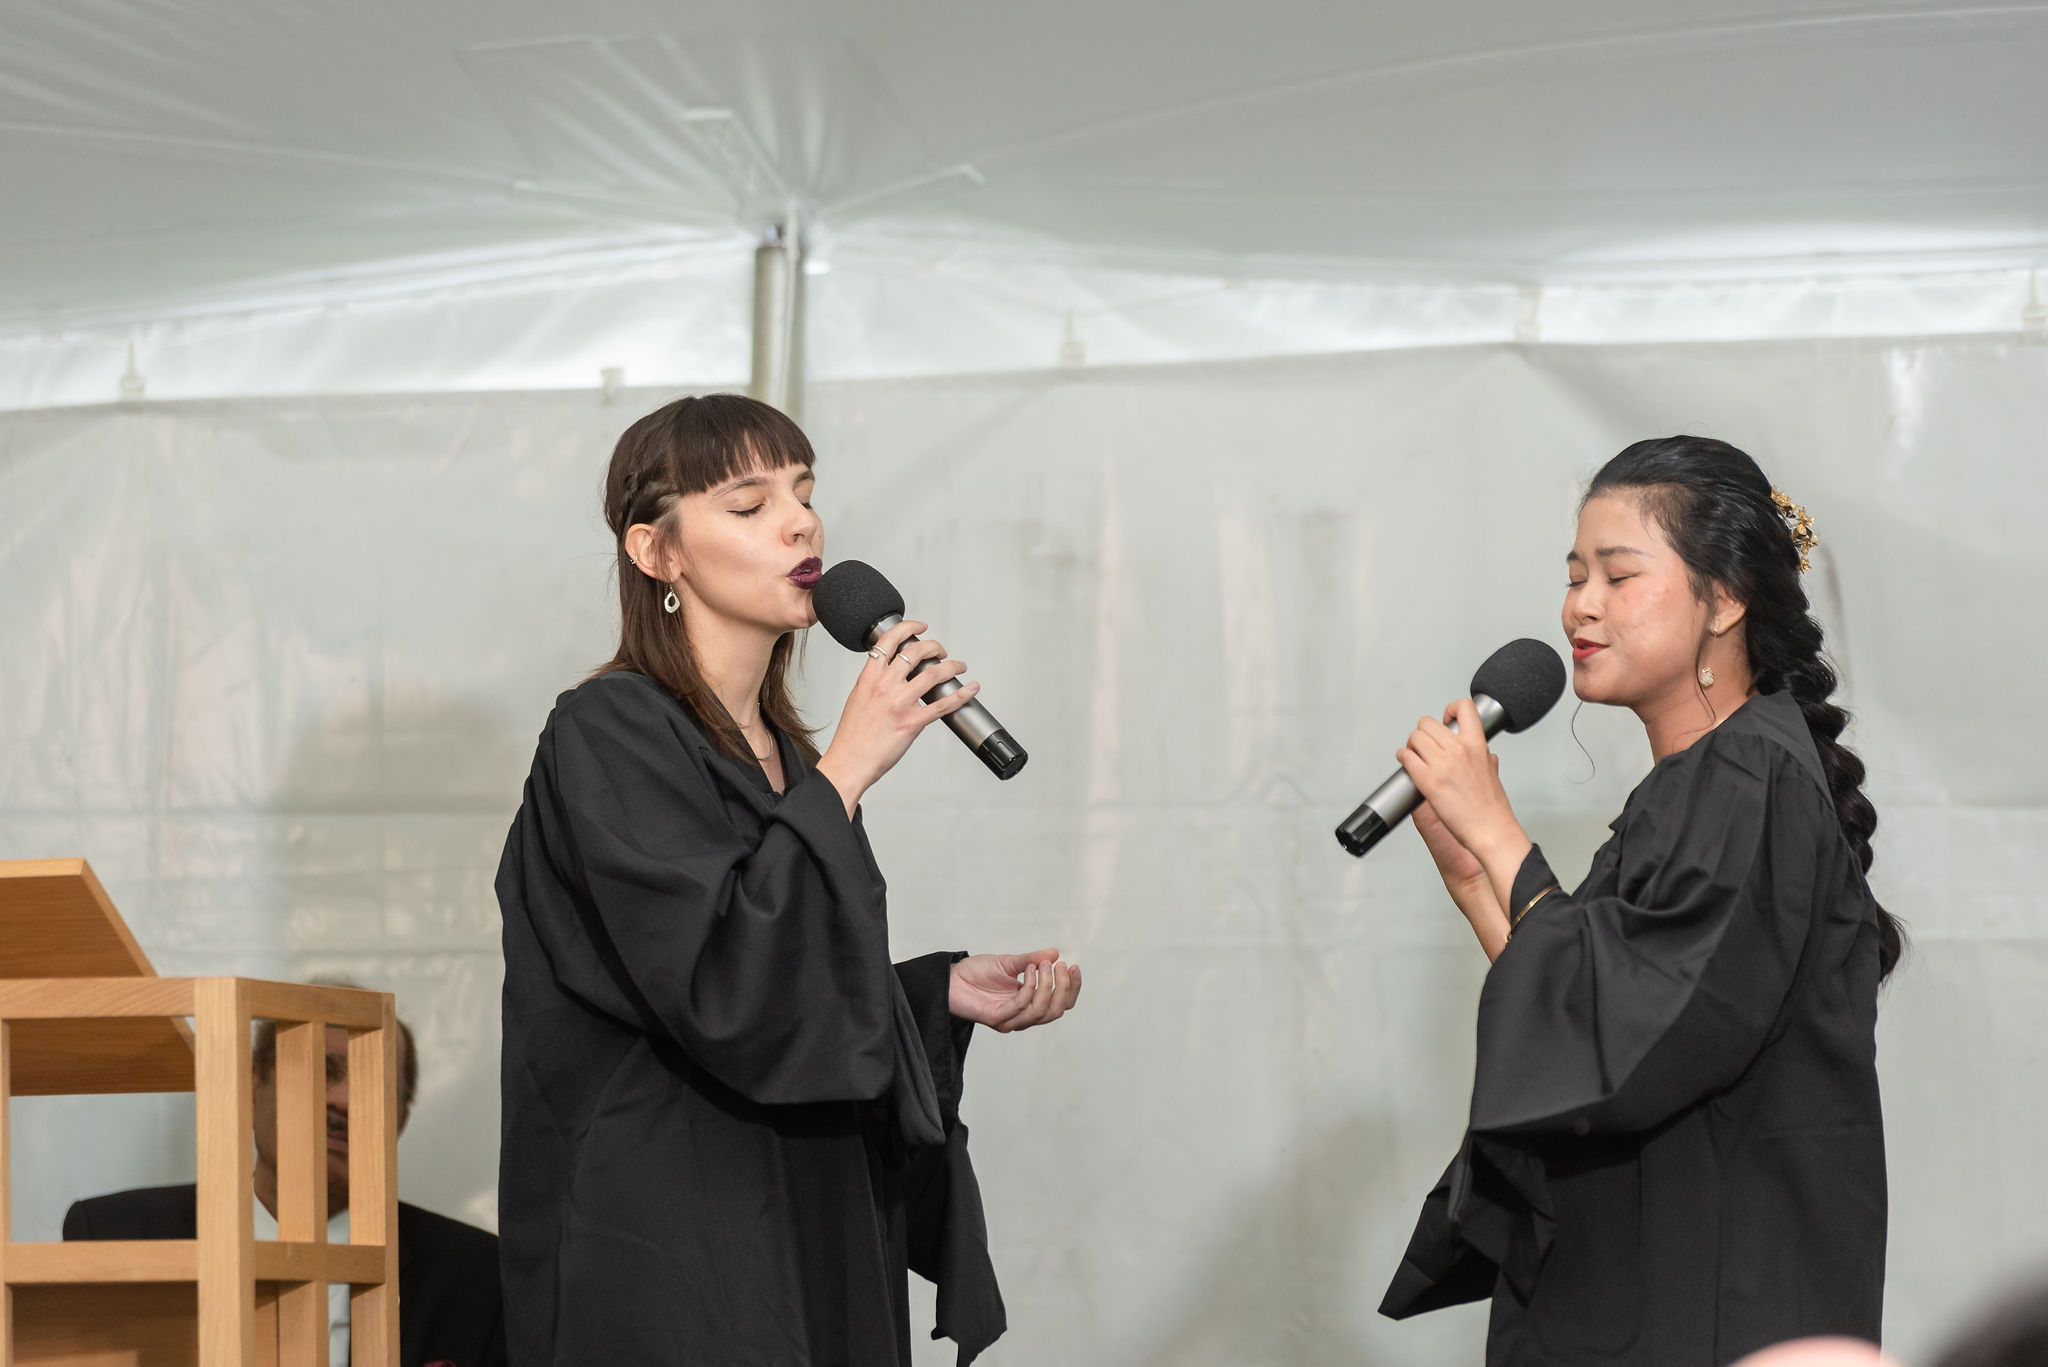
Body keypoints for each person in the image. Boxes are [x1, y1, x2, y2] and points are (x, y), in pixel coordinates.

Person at [495, 393, 1082, 1367]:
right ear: (656, 552)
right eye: (748, 502)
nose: (800, 522)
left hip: (812, 1222)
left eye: (804, 492)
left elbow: (779, 984)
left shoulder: (788, 759)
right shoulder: (607, 732)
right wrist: (845, 773)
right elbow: (710, 978)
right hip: (673, 1237)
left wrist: (928, 992)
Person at [1377, 436, 1900, 1365]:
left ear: (1725, 598)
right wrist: (1476, 878)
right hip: (1655, 1270)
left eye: (1619, 576)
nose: (1580, 605)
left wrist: (1500, 833)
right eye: (1575, 575)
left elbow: (1635, 1033)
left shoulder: (1746, 775)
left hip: (1711, 1298)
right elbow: (1609, 1015)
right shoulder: (1710, 779)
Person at [66, 982, 506, 1367]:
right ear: (253, 1086)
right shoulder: (115, 1237)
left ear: (401, 1122)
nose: (344, 1099)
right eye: (322, 1069)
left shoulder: (477, 1279)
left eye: (374, 1082)